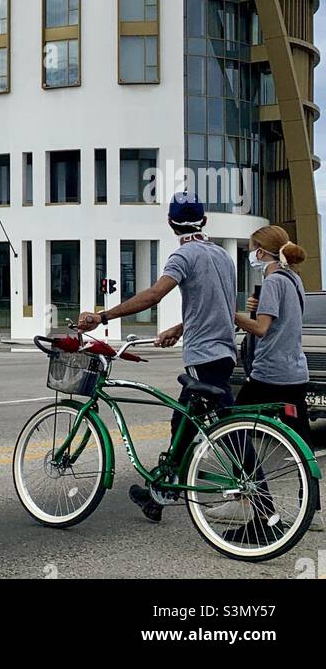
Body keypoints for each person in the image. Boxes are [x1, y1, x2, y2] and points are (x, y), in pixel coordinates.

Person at [78, 190, 237, 522]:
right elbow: (219, 306)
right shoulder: (222, 255)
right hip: (224, 352)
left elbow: (153, 295)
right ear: (204, 221)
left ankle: (254, 496)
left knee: (227, 427)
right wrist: (180, 328)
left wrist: (102, 317)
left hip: (203, 354)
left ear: (170, 223)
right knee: (184, 422)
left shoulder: (183, 257)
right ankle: (159, 495)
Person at [234, 225, 313, 450]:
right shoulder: (293, 279)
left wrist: (231, 315)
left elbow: (261, 329)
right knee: (300, 439)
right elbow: (284, 318)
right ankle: (309, 483)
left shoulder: (273, 281)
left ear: (260, 253)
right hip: (295, 372)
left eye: (250, 250)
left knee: (232, 425)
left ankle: (249, 476)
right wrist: (258, 307)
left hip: (271, 373)